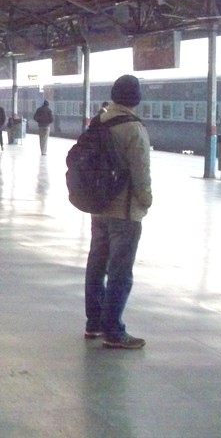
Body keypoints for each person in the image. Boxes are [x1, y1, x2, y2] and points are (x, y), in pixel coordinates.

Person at [84, 74, 152, 349]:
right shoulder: (133, 128)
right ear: (136, 98)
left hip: (99, 208)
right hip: (125, 212)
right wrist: (146, 201)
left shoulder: (99, 121)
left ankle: (94, 323)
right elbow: (141, 172)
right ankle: (114, 331)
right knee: (120, 273)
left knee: (96, 266)